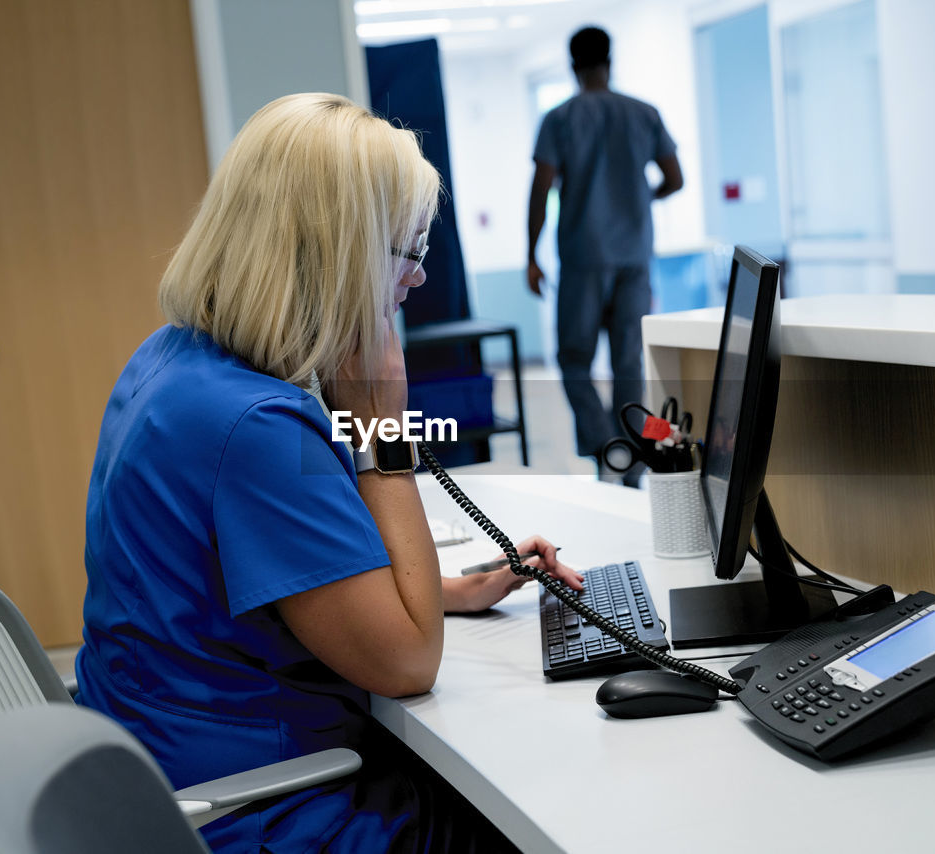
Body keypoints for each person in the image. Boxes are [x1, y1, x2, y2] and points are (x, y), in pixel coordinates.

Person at [73, 92, 583, 853]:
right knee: (548, 814)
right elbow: (408, 663)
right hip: (260, 812)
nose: (414, 280)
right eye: (404, 250)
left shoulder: (171, 361)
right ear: (336, 252)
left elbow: (254, 580)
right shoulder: (256, 426)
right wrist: (382, 430)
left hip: (164, 771)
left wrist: (445, 593)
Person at [527, 26, 683, 486]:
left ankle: (602, 446)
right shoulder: (643, 114)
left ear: (573, 66)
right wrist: (639, 199)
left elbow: (540, 189)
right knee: (627, 361)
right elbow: (675, 178)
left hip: (582, 257)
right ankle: (633, 457)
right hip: (634, 256)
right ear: (609, 61)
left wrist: (531, 253)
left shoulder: (559, 119)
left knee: (574, 359)